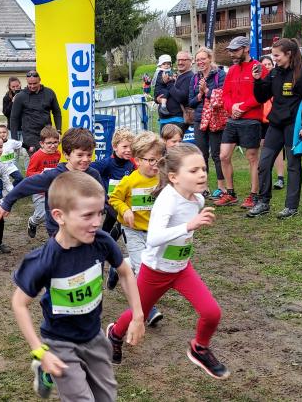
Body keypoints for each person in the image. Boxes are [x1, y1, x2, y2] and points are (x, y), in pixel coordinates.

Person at [11, 171, 145, 400]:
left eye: (100, 213)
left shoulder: (102, 241)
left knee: (107, 398)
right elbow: (19, 303)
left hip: (94, 337)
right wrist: (39, 350)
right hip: (59, 343)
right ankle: (44, 366)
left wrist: (138, 315)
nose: (97, 222)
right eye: (87, 215)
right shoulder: (44, 259)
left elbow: (124, 272)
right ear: (59, 216)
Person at [105, 143, 228, 379]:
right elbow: (153, 238)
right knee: (138, 314)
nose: (202, 174)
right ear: (174, 177)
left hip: (182, 269)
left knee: (212, 313)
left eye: (203, 169)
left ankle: (199, 348)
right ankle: (115, 334)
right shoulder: (167, 201)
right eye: (193, 170)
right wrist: (188, 226)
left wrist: (188, 228)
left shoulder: (198, 199)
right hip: (155, 272)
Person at [248, 38, 302, 219]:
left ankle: (291, 207)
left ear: (289, 54)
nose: (274, 58)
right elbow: (262, 97)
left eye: (277, 55)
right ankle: (263, 202)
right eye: (273, 55)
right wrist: (257, 81)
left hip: (294, 127)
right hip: (275, 125)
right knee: (264, 163)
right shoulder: (275, 73)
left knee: (293, 166)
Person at [0, 128, 104, 237]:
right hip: (59, 230)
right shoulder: (54, 175)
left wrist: (102, 207)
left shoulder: (93, 175)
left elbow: (102, 197)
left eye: (89, 155)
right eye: (80, 155)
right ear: (66, 154)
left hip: (85, 227)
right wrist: (7, 203)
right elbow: (26, 184)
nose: (85, 159)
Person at [106, 131, 166, 326]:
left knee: (151, 262)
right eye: (151, 160)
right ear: (138, 160)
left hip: (155, 231)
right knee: (144, 268)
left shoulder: (163, 179)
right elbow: (114, 198)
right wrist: (125, 210)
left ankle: (119, 267)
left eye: (159, 160)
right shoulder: (130, 181)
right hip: (132, 231)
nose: (155, 164)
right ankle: (148, 308)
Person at [217, 36, 264, 209]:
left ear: (246, 49)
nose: (232, 54)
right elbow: (225, 94)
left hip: (251, 119)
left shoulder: (258, 67)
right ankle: (230, 193)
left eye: (235, 50)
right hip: (233, 119)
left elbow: (261, 95)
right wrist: (232, 108)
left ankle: (254, 195)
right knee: (223, 156)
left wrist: (242, 107)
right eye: (230, 51)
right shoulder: (232, 70)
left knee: (252, 157)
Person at [188, 47, 227, 199]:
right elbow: (191, 102)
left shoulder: (220, 75)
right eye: (198, 60)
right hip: (199, 120)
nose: (200, 62)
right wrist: (199, 95)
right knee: (201, 155)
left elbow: (222, 97)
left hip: (215, 119)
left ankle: (221, 187)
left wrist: (207, 91)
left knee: (217, 154)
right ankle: (203, 187)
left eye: (203, 59)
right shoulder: (194, 78)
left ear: (210, 59)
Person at [90, 128, 135, 239]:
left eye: (131, 147)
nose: (129, 150)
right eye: (125, 147)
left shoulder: (131, 164)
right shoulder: (106, 163)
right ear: (115, 147)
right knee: (122, 221)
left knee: (110, 225)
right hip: (111, 202)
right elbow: (88, 170)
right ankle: (107, 242)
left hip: (123, 201)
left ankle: (103, 242)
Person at [10, 70, 62, 153]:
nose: (32, 86)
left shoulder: (49, 93)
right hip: (30, 135)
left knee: (49, 157)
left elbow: (57, 112)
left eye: (35, 83)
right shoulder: (21, 96)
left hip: (47, 133)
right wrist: (14, 138)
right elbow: (14, 118)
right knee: (35, 157)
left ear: (40, 80)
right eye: (29, 84)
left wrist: (58, 130)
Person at [25, 126, 61, 238]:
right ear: (41, 143)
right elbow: (29, 173)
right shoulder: (37, 156)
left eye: (55, 142)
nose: (53, 145)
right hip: (39, 190)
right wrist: (42, 174)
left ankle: (56, 235)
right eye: (49, 143)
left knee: (55, 212)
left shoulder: (58, 154)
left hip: (54, 189)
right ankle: (33, 221)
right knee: (41, 215)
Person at [260, 56, 286, 190]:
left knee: (277, 148)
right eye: (264, 64)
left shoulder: (277, 78)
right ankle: (265, 177)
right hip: (261, 120)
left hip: (274, 119)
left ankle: (280, 177)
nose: (267, 66)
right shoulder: (259, 81)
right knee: (264, 148)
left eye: (269, 64)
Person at [154, 51, 194, 131]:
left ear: (190, 62)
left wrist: (169, 83)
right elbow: (159, 91)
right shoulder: (176, 75)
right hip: (164, 120)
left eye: (183, 60)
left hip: (176, 120)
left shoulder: (190, 76)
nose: (180, 62)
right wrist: (157, 99)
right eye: (178, 60)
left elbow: (181, 97)